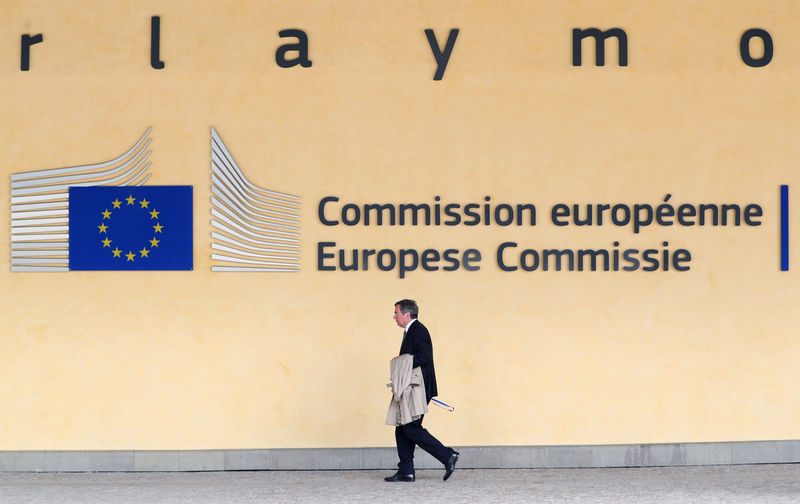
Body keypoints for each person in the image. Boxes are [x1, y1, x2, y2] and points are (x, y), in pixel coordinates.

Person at [385, 299, 459, 482]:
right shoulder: (411, 331)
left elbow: (424, 356)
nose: (394, 317)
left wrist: (402, 364)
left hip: (418, 389)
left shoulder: (418, 331)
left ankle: (447, 456)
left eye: (396, 313)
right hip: (412, 388)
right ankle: (406, 471)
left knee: (410, 428)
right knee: (402, 429)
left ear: (407, 314)